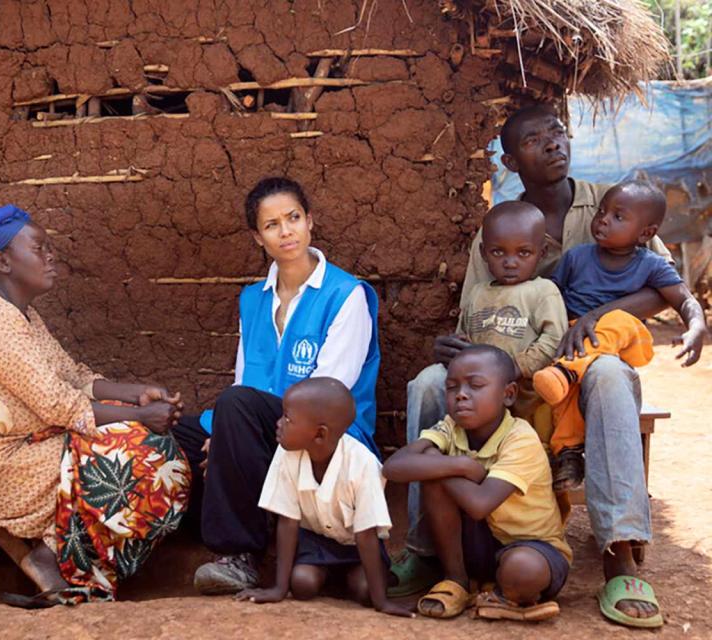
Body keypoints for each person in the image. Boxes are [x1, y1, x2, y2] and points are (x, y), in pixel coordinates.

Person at [403, 105, 672, 627]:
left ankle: (619, 551)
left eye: (557, 132)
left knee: (612, 375)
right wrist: (455, 349)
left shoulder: (609, 202)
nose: (552, 143)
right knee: (429, 383)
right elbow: (473, 315)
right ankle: (426, 550)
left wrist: (594, 315)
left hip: (584, 359)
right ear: (509, 159)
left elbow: (663, 285)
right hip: (507, 366)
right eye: (534, 139)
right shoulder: (500, 223)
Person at [0, 203, 191, 608]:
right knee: (146, 458)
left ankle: (60, 556)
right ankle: (65, 560)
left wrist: (137, 392)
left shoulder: (23, 315)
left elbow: (72, 376)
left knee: (146, 445)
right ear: (2, 260)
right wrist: (141, 415)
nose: (50, 256)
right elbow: (59, 403)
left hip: (32, 449)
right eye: (38, 248)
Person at [171, 177, 381, 595]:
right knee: (177, 432)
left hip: (326, 432)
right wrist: (222, 435)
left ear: (310, 223)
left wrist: (234, 429)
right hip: (261, 422)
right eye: (272, 225)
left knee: (236, 408)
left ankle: (239, 554)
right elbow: (245, 376)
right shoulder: (253, 300)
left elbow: (329, 395)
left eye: (293, 218)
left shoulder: (345, 294)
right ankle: (181, 535)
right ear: (258, 237)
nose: (286, 232)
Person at [533, 181, 707, 491]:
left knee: (618, 320)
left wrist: (696, 327)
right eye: (602, 211)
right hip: (576, 339)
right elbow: (552, 295)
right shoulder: (577, 258)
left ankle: (565, 371)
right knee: (566, 396)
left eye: (617, 216)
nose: (602, 219)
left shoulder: (650, 265)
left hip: (618, 344)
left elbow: (684, 300)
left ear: (645, 234)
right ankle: (569, 452)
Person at [384, 346, 570, 622]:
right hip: (478, 545)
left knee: (522, 570)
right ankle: (457, 581)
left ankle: (505, 593)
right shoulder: (450, 427)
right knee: (434, 479)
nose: (461, 394)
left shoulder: (520, 438)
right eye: (452, 387)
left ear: (508, 395)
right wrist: (459, 465)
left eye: (476, 385)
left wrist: (436, 464)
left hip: (532, 546)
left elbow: (480, 504)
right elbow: (393, 467)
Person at [234, 378, 412, 618]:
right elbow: (287, 522)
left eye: (287, 418)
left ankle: (360, 577)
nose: (278, 424)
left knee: (365, 590)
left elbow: (366, 535)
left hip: (357, 547)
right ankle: (329, 578)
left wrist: (381, 602)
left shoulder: (363, 463)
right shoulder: (286, 454)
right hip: (316, 544)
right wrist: (279, 589)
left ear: (319, 434)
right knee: (302, 584)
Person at [452, 200, 566, 422]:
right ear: (484, 253)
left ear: (542, 252)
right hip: (479, 396)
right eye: (498, 252)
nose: (510, 263)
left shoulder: (543, 291)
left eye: (523, 253)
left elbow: (554, 339)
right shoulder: (477, 294)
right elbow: (464, 339)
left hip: (528, 396)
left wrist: (515, 367)